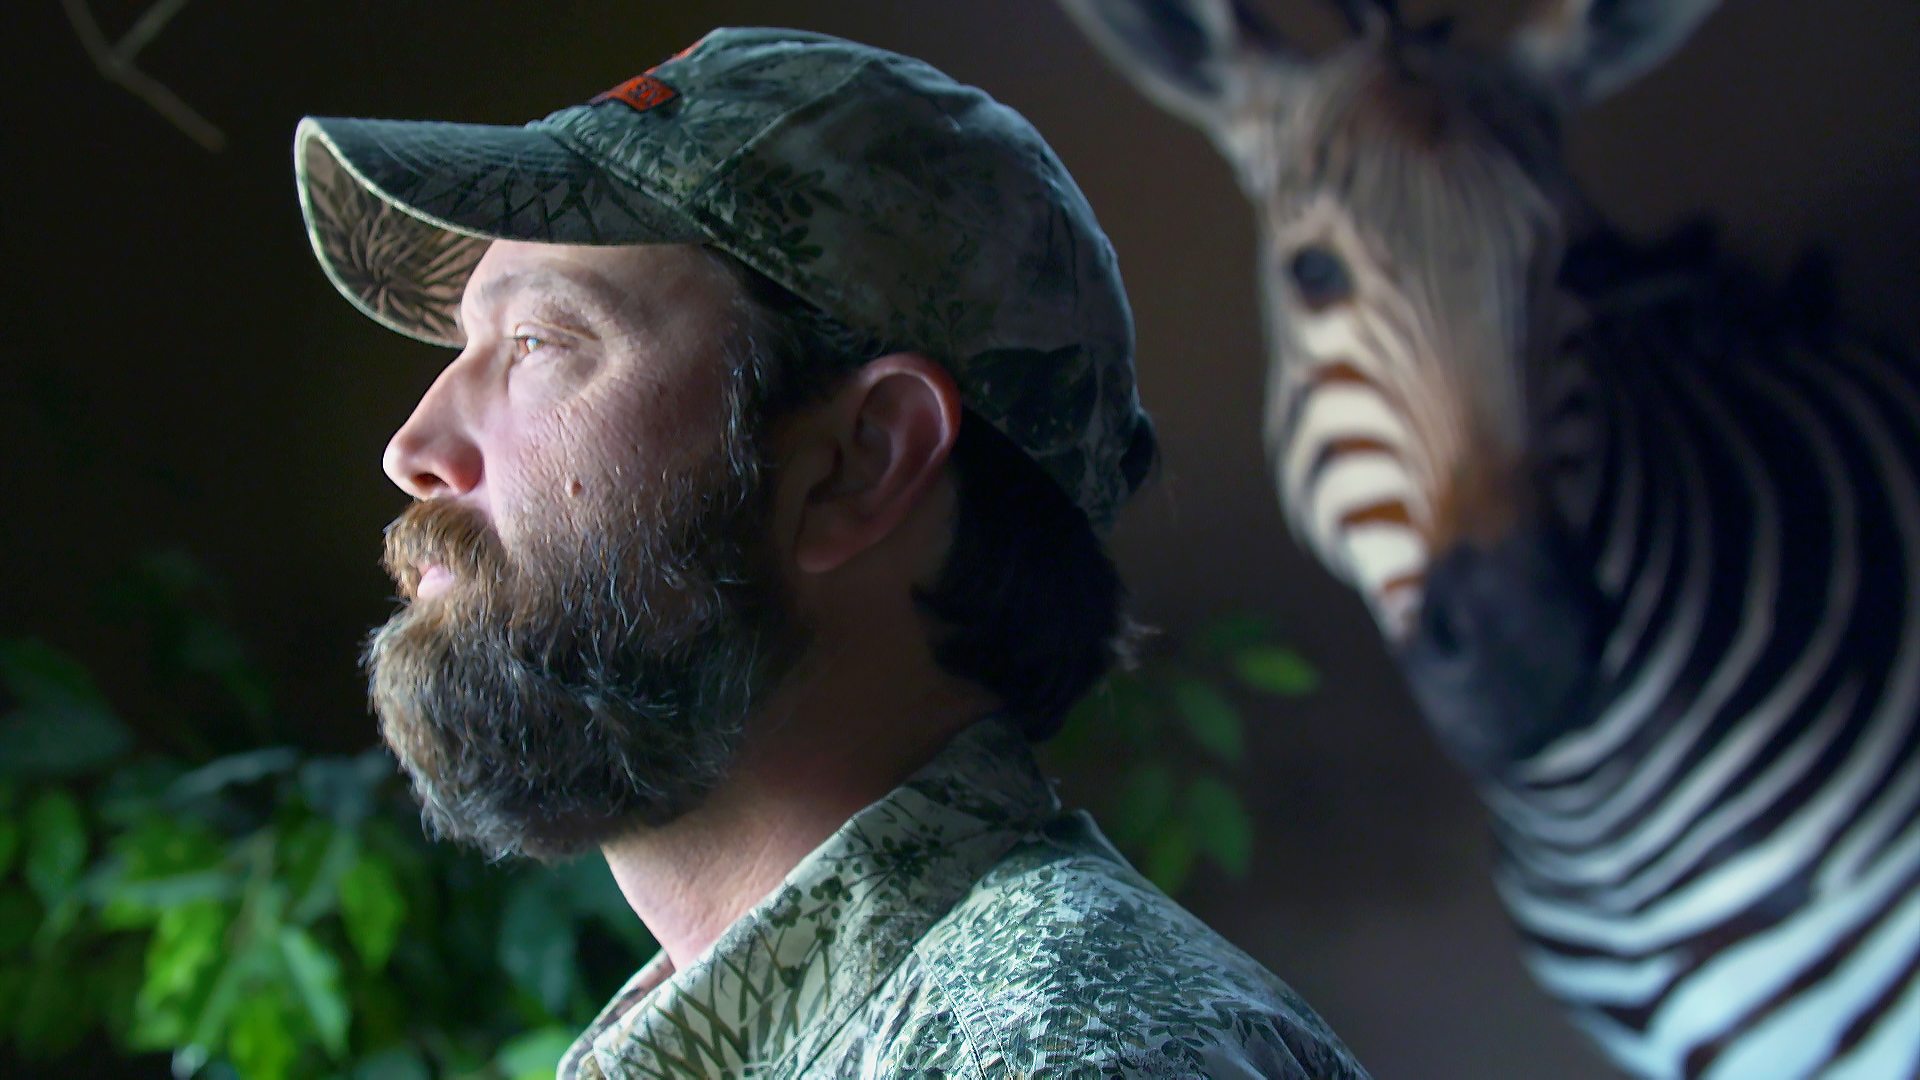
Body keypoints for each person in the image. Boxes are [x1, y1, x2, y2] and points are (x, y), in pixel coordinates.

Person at [294, 26, 1368, 1080]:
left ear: (859, 463)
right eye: (464, 347)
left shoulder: (1068, 1052)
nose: (414, 450)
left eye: (538, 343)